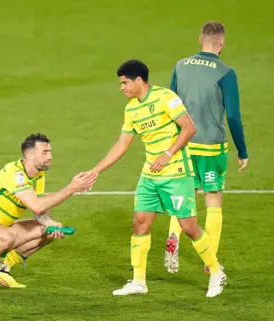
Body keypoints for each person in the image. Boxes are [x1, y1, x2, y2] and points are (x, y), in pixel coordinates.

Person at [87, 59, 227, 297]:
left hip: (176, 173)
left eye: (124, 82)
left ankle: (216, 273)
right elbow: (122, 144)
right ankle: (139, 281)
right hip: (150, 175)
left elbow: (189, 128)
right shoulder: (131, 109)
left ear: (138, 80)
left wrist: (167, 154)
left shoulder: (165, 98)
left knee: (189, 227)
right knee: (140, 222)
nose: (121, 88)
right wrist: (96, 170)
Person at [0, 133, 96, 292]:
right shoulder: (14, 173)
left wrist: (50, 223)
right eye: (45, 152)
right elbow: (36, 205)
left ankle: (1, 268)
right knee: (8, 235)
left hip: (0, 230)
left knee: (47, 231)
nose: (50, 156)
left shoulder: (38, 176)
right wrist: (72, 188)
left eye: (50, 151)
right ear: (29, 156)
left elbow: (40, 210)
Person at [165, 21, 249, 274]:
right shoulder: (226, 72)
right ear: (221, 43)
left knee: (183, 199)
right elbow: (233, 116)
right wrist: (242, 151)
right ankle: (209, 257)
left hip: (184, 145)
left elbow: (170, 105)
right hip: (212, 146)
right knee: (213, 202)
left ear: (200, 39)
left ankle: (173, 237)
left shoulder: (181, 65)